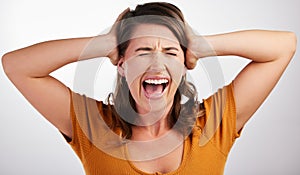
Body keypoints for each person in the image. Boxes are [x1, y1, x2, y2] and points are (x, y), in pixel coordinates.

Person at [2, 2, 297, 175]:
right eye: (143, 51)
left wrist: (200, 46)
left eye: (170, 53)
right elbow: (17, 65)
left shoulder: (214, 122)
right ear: (121, 64)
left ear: (185, 65)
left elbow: (284, 46)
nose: (157, 63)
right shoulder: (91, 125)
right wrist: (108, 43)